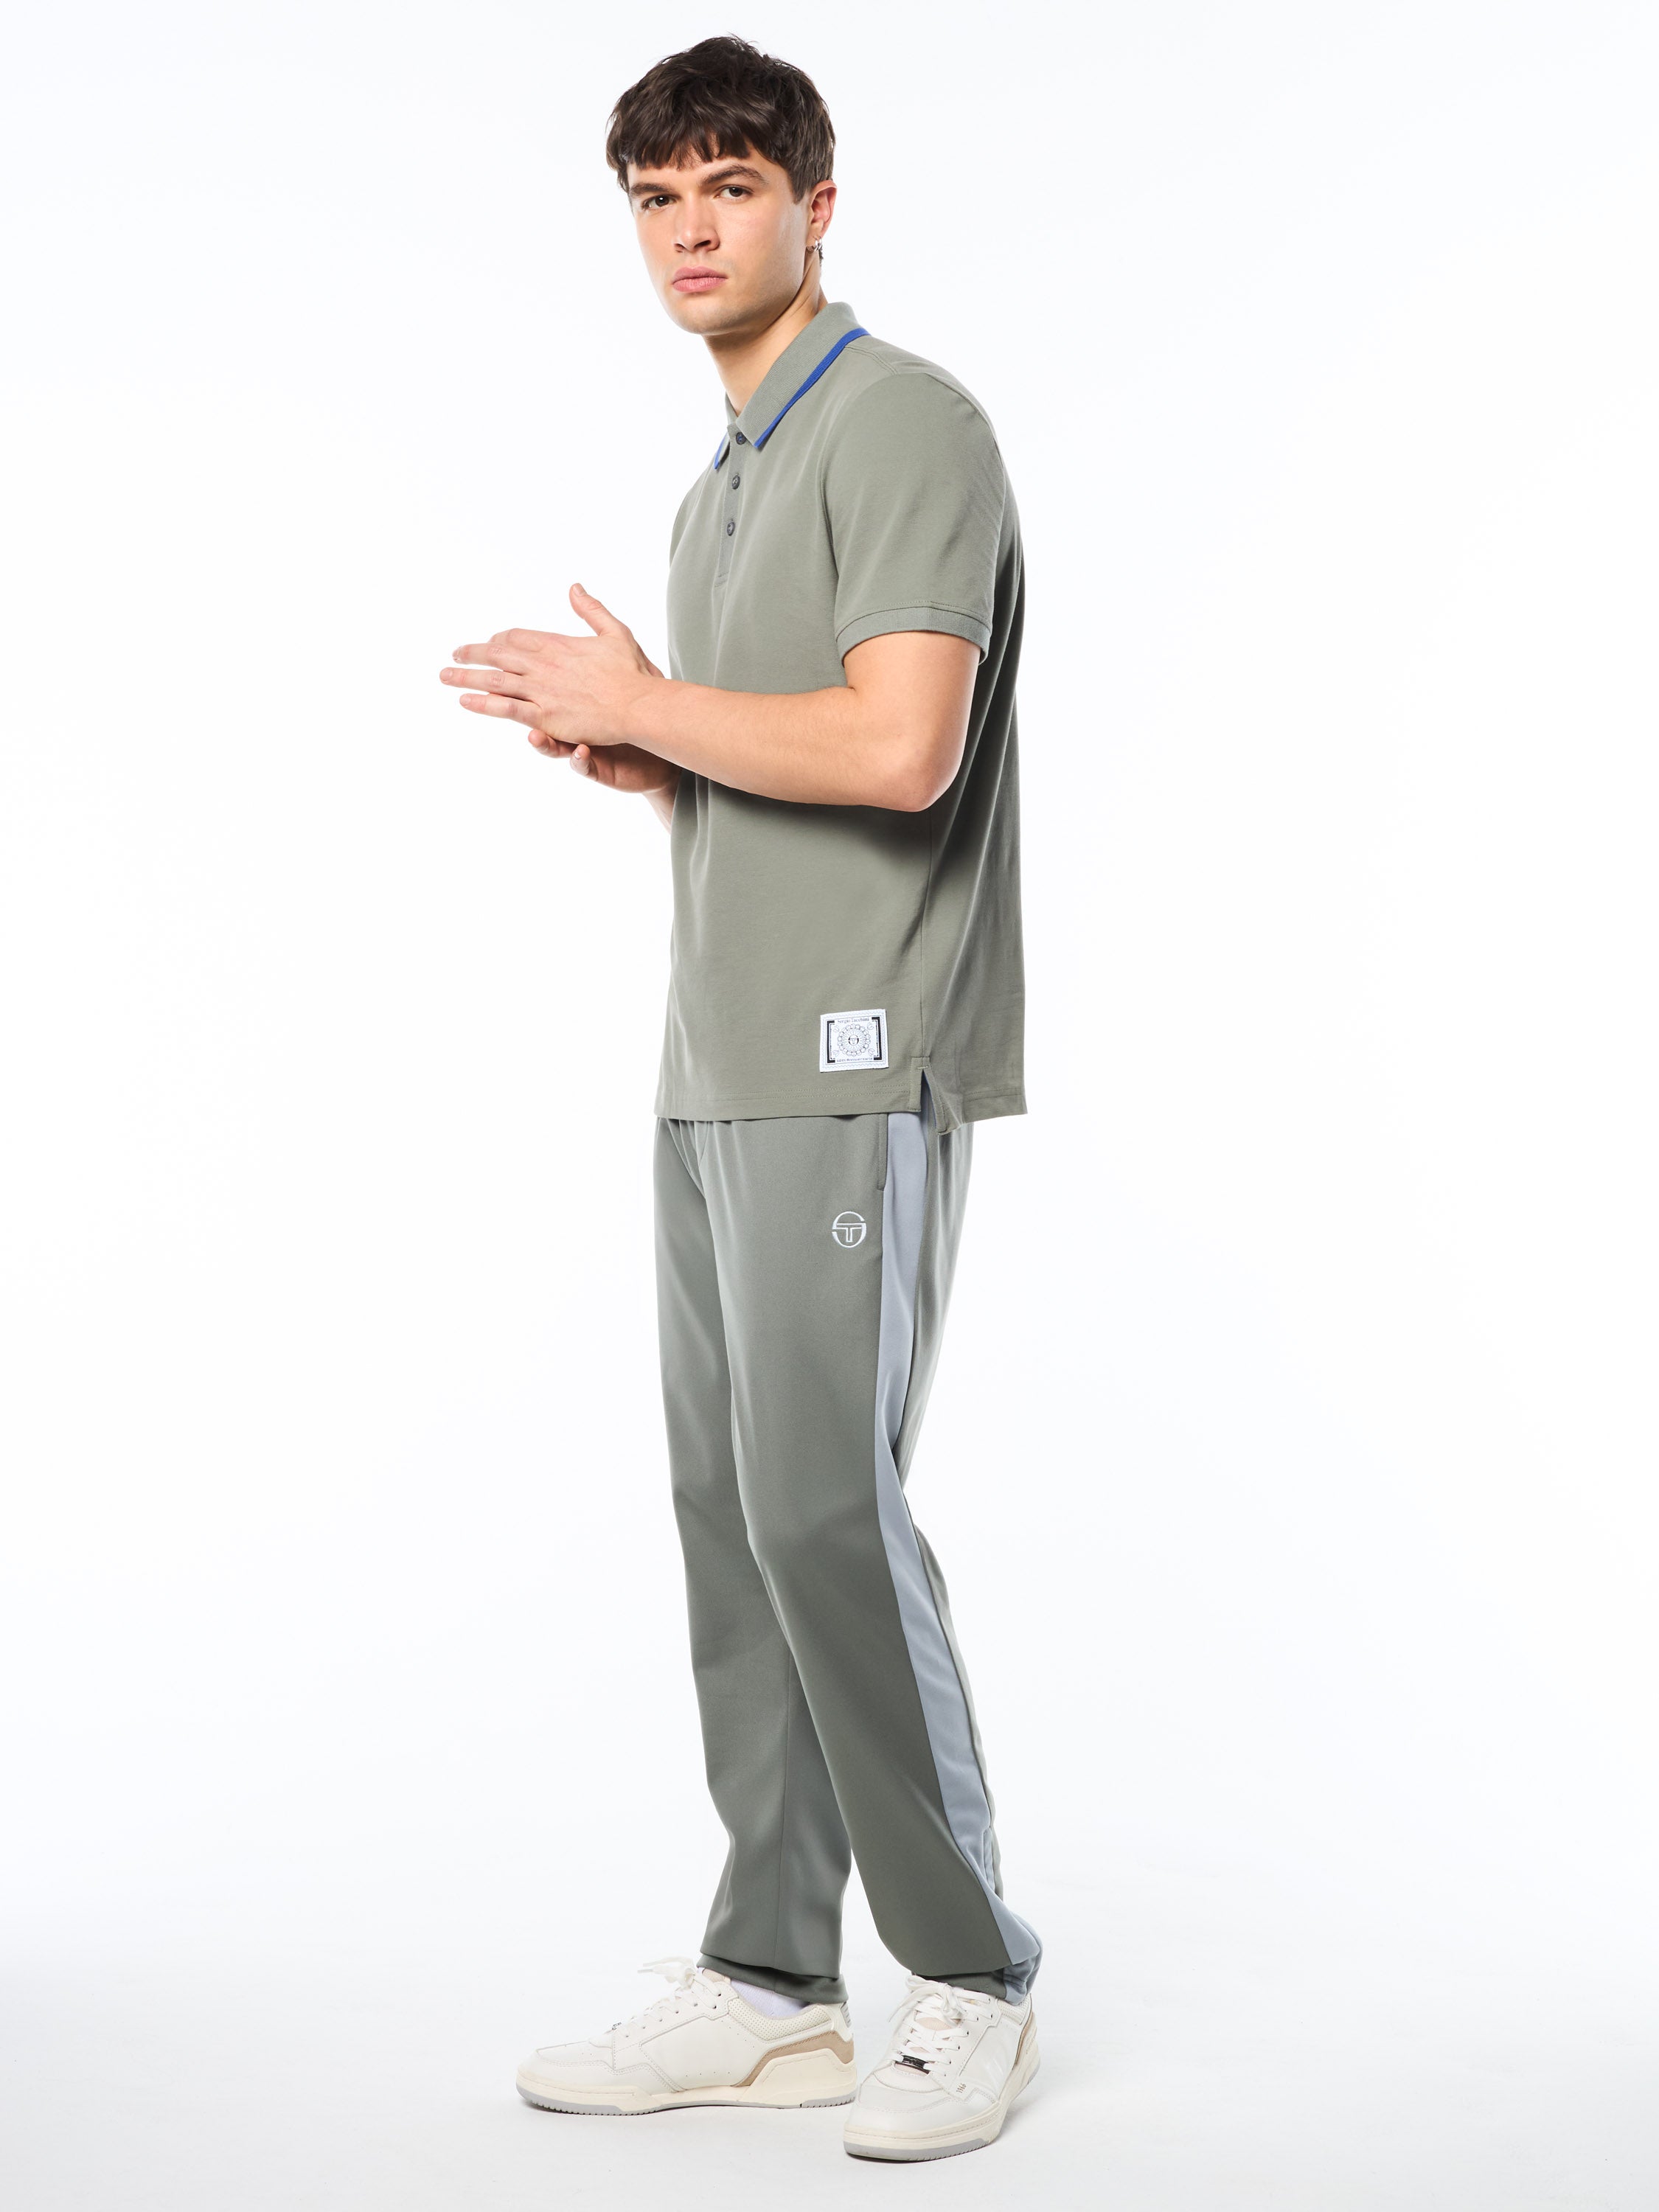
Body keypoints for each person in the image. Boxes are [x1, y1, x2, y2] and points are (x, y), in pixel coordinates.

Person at [439, 35, 1040, 2164]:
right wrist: (652, 751)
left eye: (728, 187)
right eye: (655, 197)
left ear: (814, 205)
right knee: (732, 1518)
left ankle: (967, 1975)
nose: (690, 230)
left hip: (853, 1050)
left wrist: (657, 701)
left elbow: (901, 750)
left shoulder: (902, 422)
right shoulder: (723, 477)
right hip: (715, 1057)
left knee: (819, 1508)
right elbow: (781, 749)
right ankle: (772, 1980)